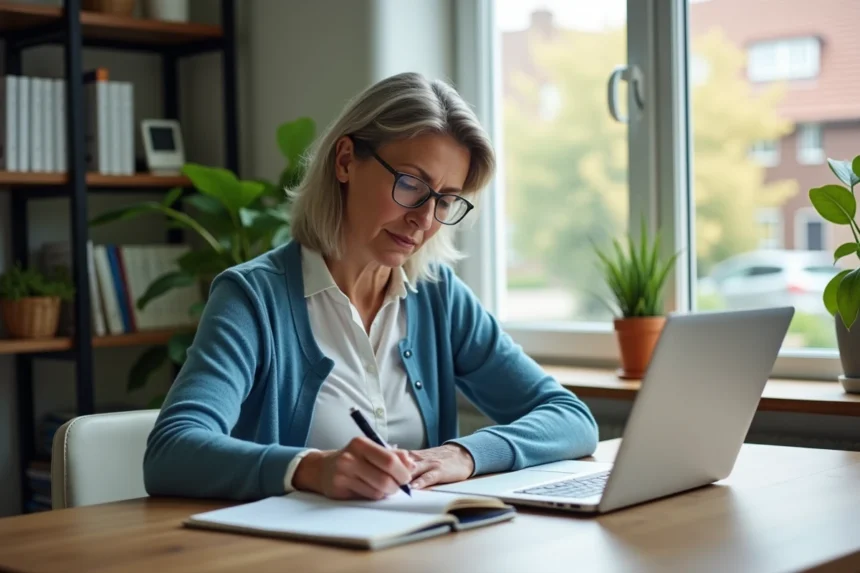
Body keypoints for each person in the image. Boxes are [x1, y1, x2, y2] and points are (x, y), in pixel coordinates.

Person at [143, 72, 599, 502]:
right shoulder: (253, 299)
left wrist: (464, 454)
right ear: (345, 161)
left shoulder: (438, 296)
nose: (423, 219)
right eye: (410, 183)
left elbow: (571, 419)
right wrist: (311, 468)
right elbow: (171, 452)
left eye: (444, 199)